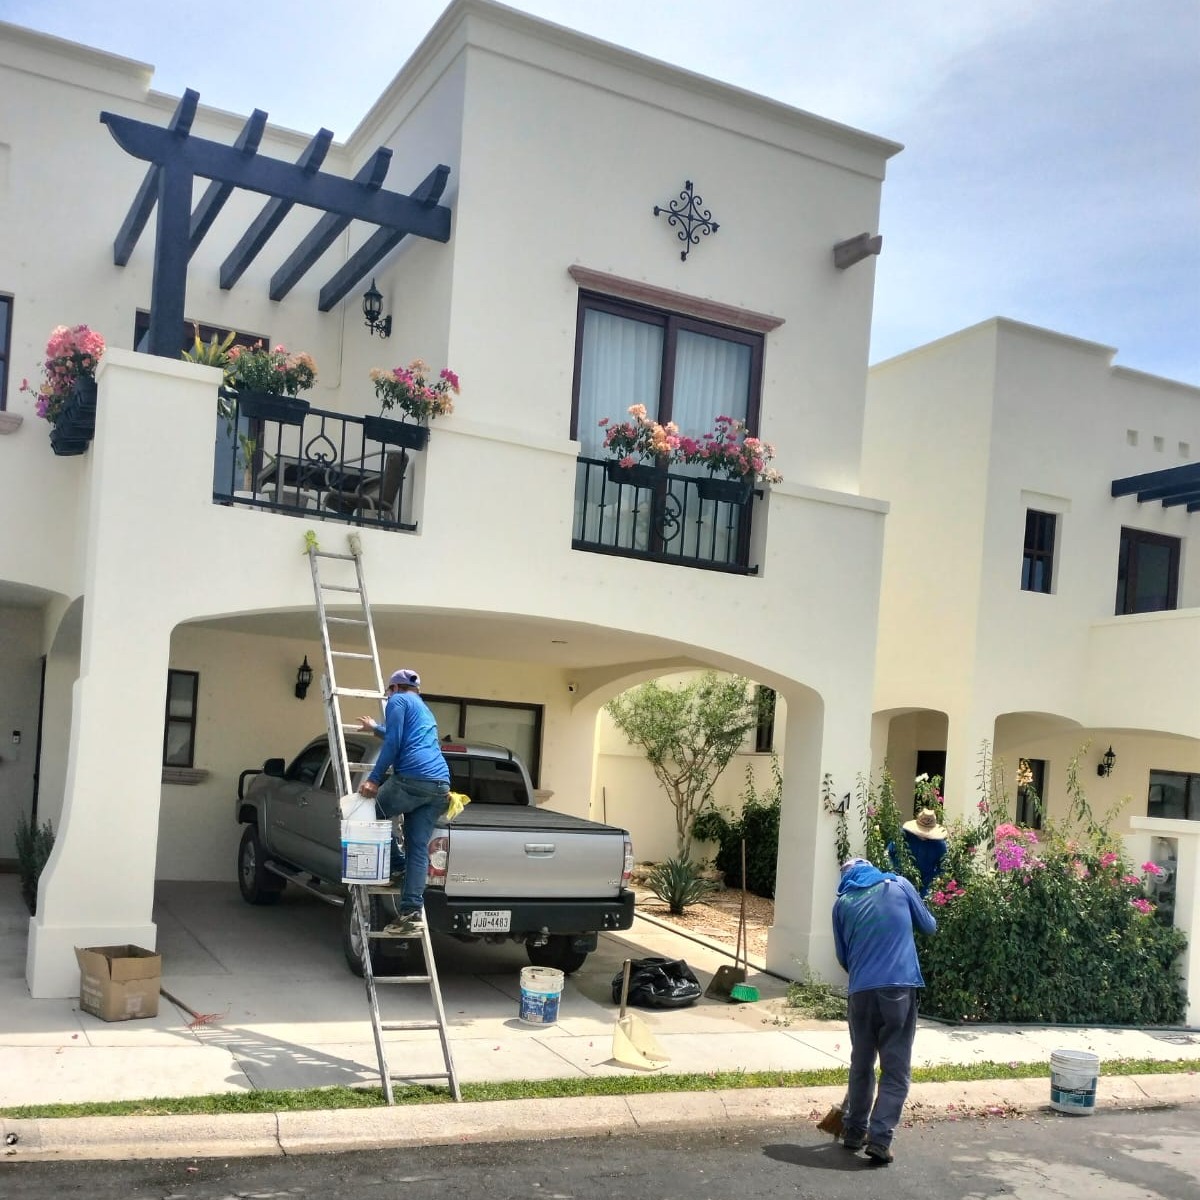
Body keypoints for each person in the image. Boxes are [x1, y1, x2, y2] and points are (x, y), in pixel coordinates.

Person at [832, 856, 937, 1164]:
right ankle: (879, 1138)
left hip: (860, 993)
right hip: (898, 989)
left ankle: (853, 1132)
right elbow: (930, 926)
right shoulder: (898, 885)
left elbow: (842, 957)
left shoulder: (841, 904)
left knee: (861, 1064)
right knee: (895, 1068)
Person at [357, 668, 450, 934]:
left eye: (388, 691)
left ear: (394, 688)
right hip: (439, 784)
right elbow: (404, 737)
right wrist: (376, 729)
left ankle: (396, 866)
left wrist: (374, 779)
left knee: (371, 815)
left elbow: (395, 741)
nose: (388, 696)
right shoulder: (423, 707)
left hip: (412, 777)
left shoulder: (397, 700)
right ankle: (411, 913)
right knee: (418, 847)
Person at [889, 808, 949, 896]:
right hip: (899, 881)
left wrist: (932, 882)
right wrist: (893, 874)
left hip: (925, 887)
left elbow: (943, 867)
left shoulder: (939, 844)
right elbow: (889, 853)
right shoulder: (903, 835)